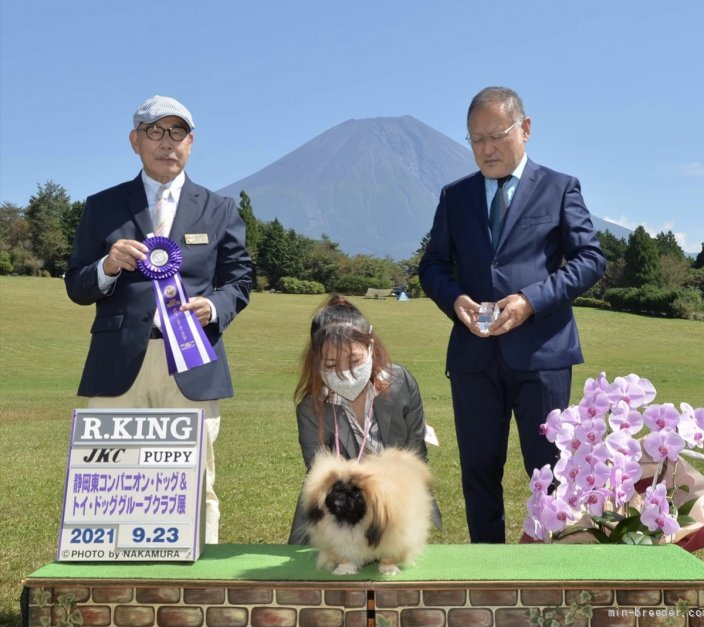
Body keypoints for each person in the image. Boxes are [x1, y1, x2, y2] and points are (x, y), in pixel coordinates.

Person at [418, 86, 606, 544]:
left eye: (495, 136)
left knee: (552, 474)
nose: (485, 149)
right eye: (475, 140)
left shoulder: (561, 187)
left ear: (525, 128)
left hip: (542, 358)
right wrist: (456, 299)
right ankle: (489, 579)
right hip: (473, 361)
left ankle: (552, 576)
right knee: (478, 475)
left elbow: (590, 260)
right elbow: (433, 267)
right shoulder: (454, 196)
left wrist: (531, 300)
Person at [65, 95, 253, 544]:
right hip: (117, 366)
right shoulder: (102, 206)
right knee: (109, 484)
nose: (166, 142)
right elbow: (76, 284)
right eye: (154, 131)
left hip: (192, 363)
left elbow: (240, 278)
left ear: (191, 143)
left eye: (177, 133)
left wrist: (215, 307)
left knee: (196, 485)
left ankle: (195, 588)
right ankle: (109, 599)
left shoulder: (220, 208)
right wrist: (106, 268)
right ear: (135, 141)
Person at [288, 294, 442, 544]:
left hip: (397, 511)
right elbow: (321, 476)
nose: (346, 373)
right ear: (316, 360)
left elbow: (416, 455)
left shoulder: (401, 382)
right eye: (330, 363)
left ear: (370, 345)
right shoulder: (310, 408)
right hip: (337, 519)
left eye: (354, 360)